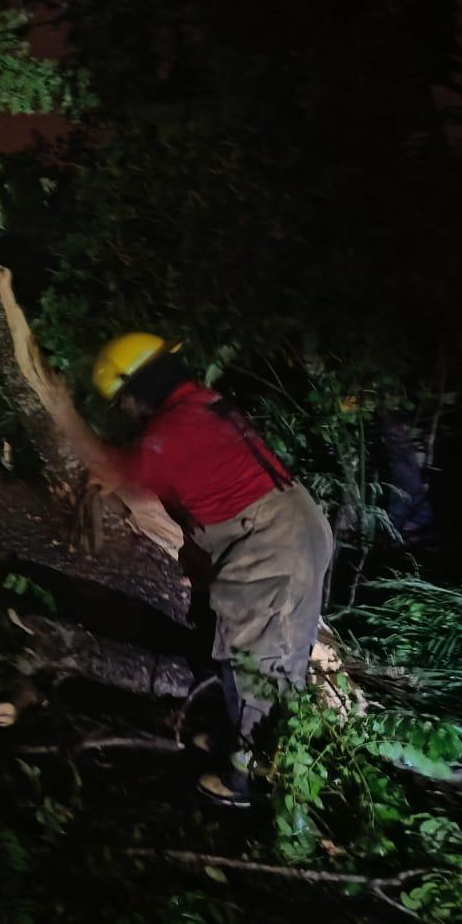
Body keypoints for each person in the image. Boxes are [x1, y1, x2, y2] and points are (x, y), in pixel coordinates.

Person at [86, 333, 335, 805]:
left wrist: (63, 422)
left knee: (259, 662)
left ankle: (249, 782)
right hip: (283, 526)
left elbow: (114, 473)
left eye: (123, 402)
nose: (126, 413)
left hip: (271, 541)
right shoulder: (200, 405)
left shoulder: (171, 434)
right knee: (248, 649)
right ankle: (245, 748)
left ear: (138, 391)